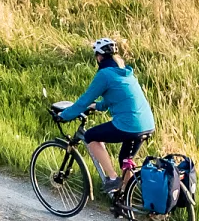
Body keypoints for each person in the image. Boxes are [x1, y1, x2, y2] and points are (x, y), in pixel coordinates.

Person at [57, 38, 155, 197]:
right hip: (147, 124)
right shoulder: (126, 72)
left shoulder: (104, 74)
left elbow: (83, 101)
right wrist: (97, 106)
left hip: (129, 125)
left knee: (90, 136)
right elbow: (114, 97)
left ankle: (112, 178)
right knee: (125, 160)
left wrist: (65, 115)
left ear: (99, 57)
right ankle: (127, 199)